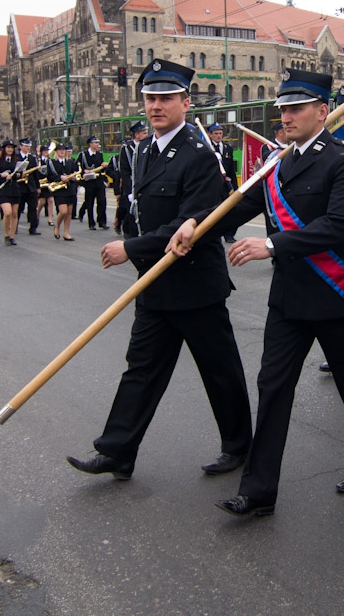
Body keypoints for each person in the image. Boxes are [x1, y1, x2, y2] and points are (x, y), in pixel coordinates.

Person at [168, 69, 344, 517]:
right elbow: (238, 207)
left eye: (295, 109)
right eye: (282, 109)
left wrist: (270, 245)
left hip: (333, 293)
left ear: (322, 111)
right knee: (272, 386)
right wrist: (196, 223)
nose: (285, 117)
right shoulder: (276, 163)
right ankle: (258, 491)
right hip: (288, 299)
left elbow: (337, 225)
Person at [66, 58, 252, 481]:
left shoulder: (199, 155)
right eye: (150, 98)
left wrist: (129, 248)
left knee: (219, 371)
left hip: (196, 286)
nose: (156, 106)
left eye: (166, 98)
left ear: (185, 103)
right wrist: (134, 243)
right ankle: (117, 452)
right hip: (154, 284)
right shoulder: (143, 151)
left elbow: (189, 224)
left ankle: (238, 446)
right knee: (141, 370)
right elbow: (142, 213)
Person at [112, 121, 149, 238]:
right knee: (128, 210)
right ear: (136, 134)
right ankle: (128, 233)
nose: (146, 135)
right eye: (144, 133)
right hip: (131, 185)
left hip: (144, 183)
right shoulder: (127, 149)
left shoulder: (148, 146)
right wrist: (128, 191)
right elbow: (124, 171)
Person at [208, 123, 238, 242]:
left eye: (220, 133)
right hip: (213, 186)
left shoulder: (227, 148)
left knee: (230, 210)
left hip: (226, 186)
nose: (218, 136)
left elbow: (231, 170)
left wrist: (235, 186)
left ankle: (229, 234)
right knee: (214, 211)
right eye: (216, 133)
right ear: (210, 135)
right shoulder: (207, 148)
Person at [0, 141, 24, 246]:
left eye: (12, 148)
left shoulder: (16, 160)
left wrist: (13, 176)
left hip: (14, 189)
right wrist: (2, 176)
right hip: (3, 189)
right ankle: (6, 234)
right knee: (8, 212)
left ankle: (12, 236)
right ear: (4, 149)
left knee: (14, 214)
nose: (10, 149)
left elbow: (21, 174)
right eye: (8, 147)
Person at [77, 135, 109, 230]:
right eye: (95, 142)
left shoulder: (99, 154)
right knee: (89, 202)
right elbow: (77, 167)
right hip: (89, 182)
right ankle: (91, 223)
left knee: (102, 201)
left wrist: (104, 167)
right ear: (90, 144)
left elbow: (102, 169)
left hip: (98, 180)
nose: (97, 144)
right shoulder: (83, 155)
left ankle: (102, 222)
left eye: (98, 142)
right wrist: (84, 171)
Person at [47, 143, 78, 241]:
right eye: (60, 149)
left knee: (69, 212)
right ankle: (57, 227)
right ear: (56, 151)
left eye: (64, 149)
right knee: (63, 211)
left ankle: (66, 233)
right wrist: (60, 177)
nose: (62, 151)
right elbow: (49, 177)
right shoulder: (52, 163)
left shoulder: (70, 162)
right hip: (59, 190)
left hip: (70, 189)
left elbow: (75, 173)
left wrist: (73, 178)